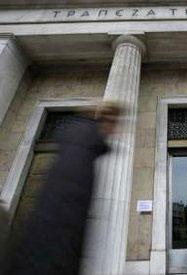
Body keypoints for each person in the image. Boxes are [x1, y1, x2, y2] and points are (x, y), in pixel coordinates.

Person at [4, 102, 122, 275]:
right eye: (115, 123)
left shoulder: (78, 145)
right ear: (105, 121)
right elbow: (66, 212)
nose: (117, 131)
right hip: (49, 258)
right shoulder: (83, 150)